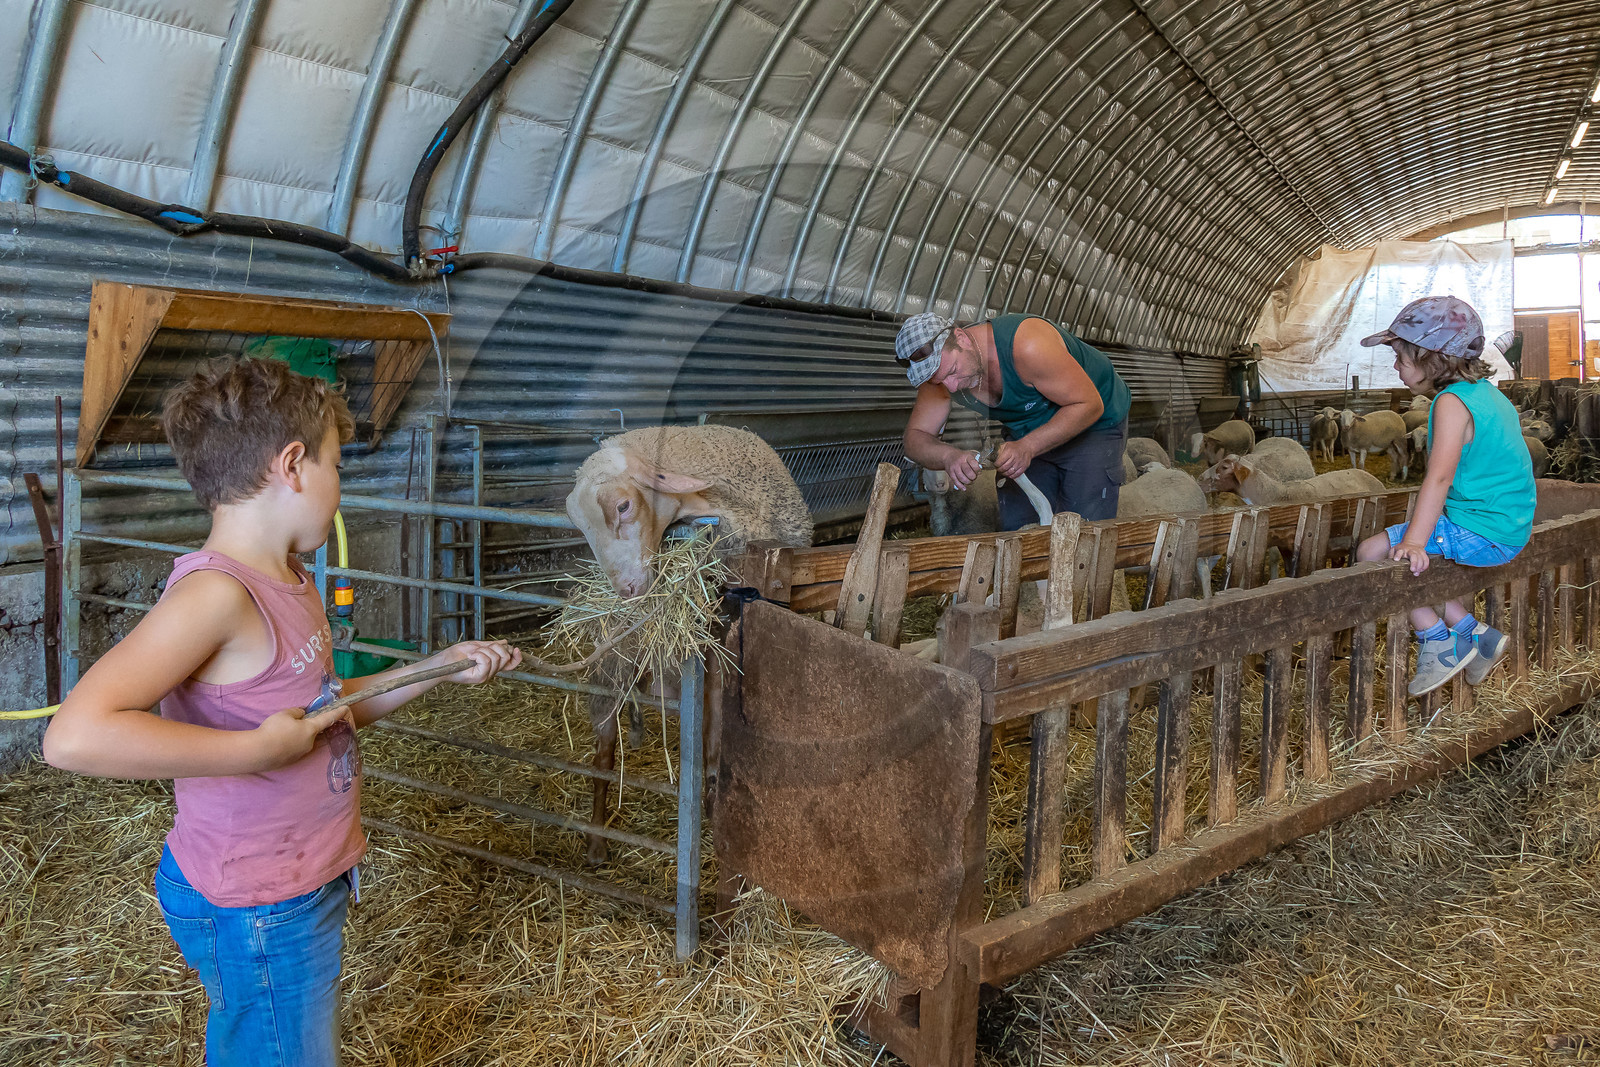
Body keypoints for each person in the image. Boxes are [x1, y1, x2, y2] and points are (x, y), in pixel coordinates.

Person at [41, 358, 523, 1067]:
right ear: (293, 465)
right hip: (258, 904)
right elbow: (74, 735)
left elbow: (328, 711)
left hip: (294, 883)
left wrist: (438, 666)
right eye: (337, 466)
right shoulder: (217, 596)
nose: (339, 488)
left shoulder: (289, 579)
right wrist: (254, 752)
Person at [1353, 296, 1535, 696]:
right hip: (1506, 525)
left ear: (1432, 357)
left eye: (1400, 357)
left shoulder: (1450, 403)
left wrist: (1415, 541)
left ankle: (1437, 641)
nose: (1396, 367)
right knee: (1404, 560)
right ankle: (1476, 635)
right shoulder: (1488, 394)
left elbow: (1438, 478)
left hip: (1482, 529)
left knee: (1372, 553)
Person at [895, 312, 1132, 529]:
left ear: (962, 338)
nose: (951, 387)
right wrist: (949, 457)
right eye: (939, 381)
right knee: (1020, 526)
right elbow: (915, 437)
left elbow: (1088, 404)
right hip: (1027, 431)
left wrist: (1028, 446)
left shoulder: (1028, 345)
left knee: (1083, 528)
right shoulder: (939, 374)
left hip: (1092, 424)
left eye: (953, 370)